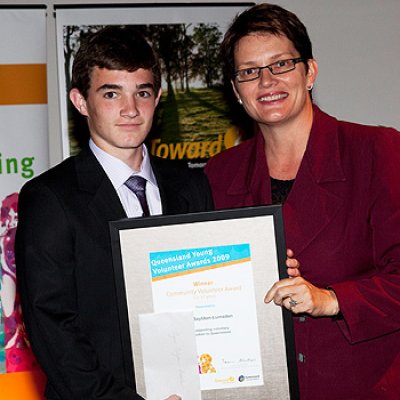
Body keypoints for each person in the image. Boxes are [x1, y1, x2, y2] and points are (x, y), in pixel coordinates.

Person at [205, 3, 400, 399]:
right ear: (235, 89)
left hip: (363, 386)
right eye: (249, 71)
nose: (266, 81)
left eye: (280, 65)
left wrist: (330, 300)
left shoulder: (378, 151)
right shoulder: (218, 174)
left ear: (309, 71)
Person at [15, 26, 214, 400]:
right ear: (80, 101)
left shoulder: (191, 187)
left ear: (157, 98)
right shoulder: (49, 198)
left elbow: (211, 294)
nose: (130, 109)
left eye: (142, 92)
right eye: (111, 93)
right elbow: (52, 326)